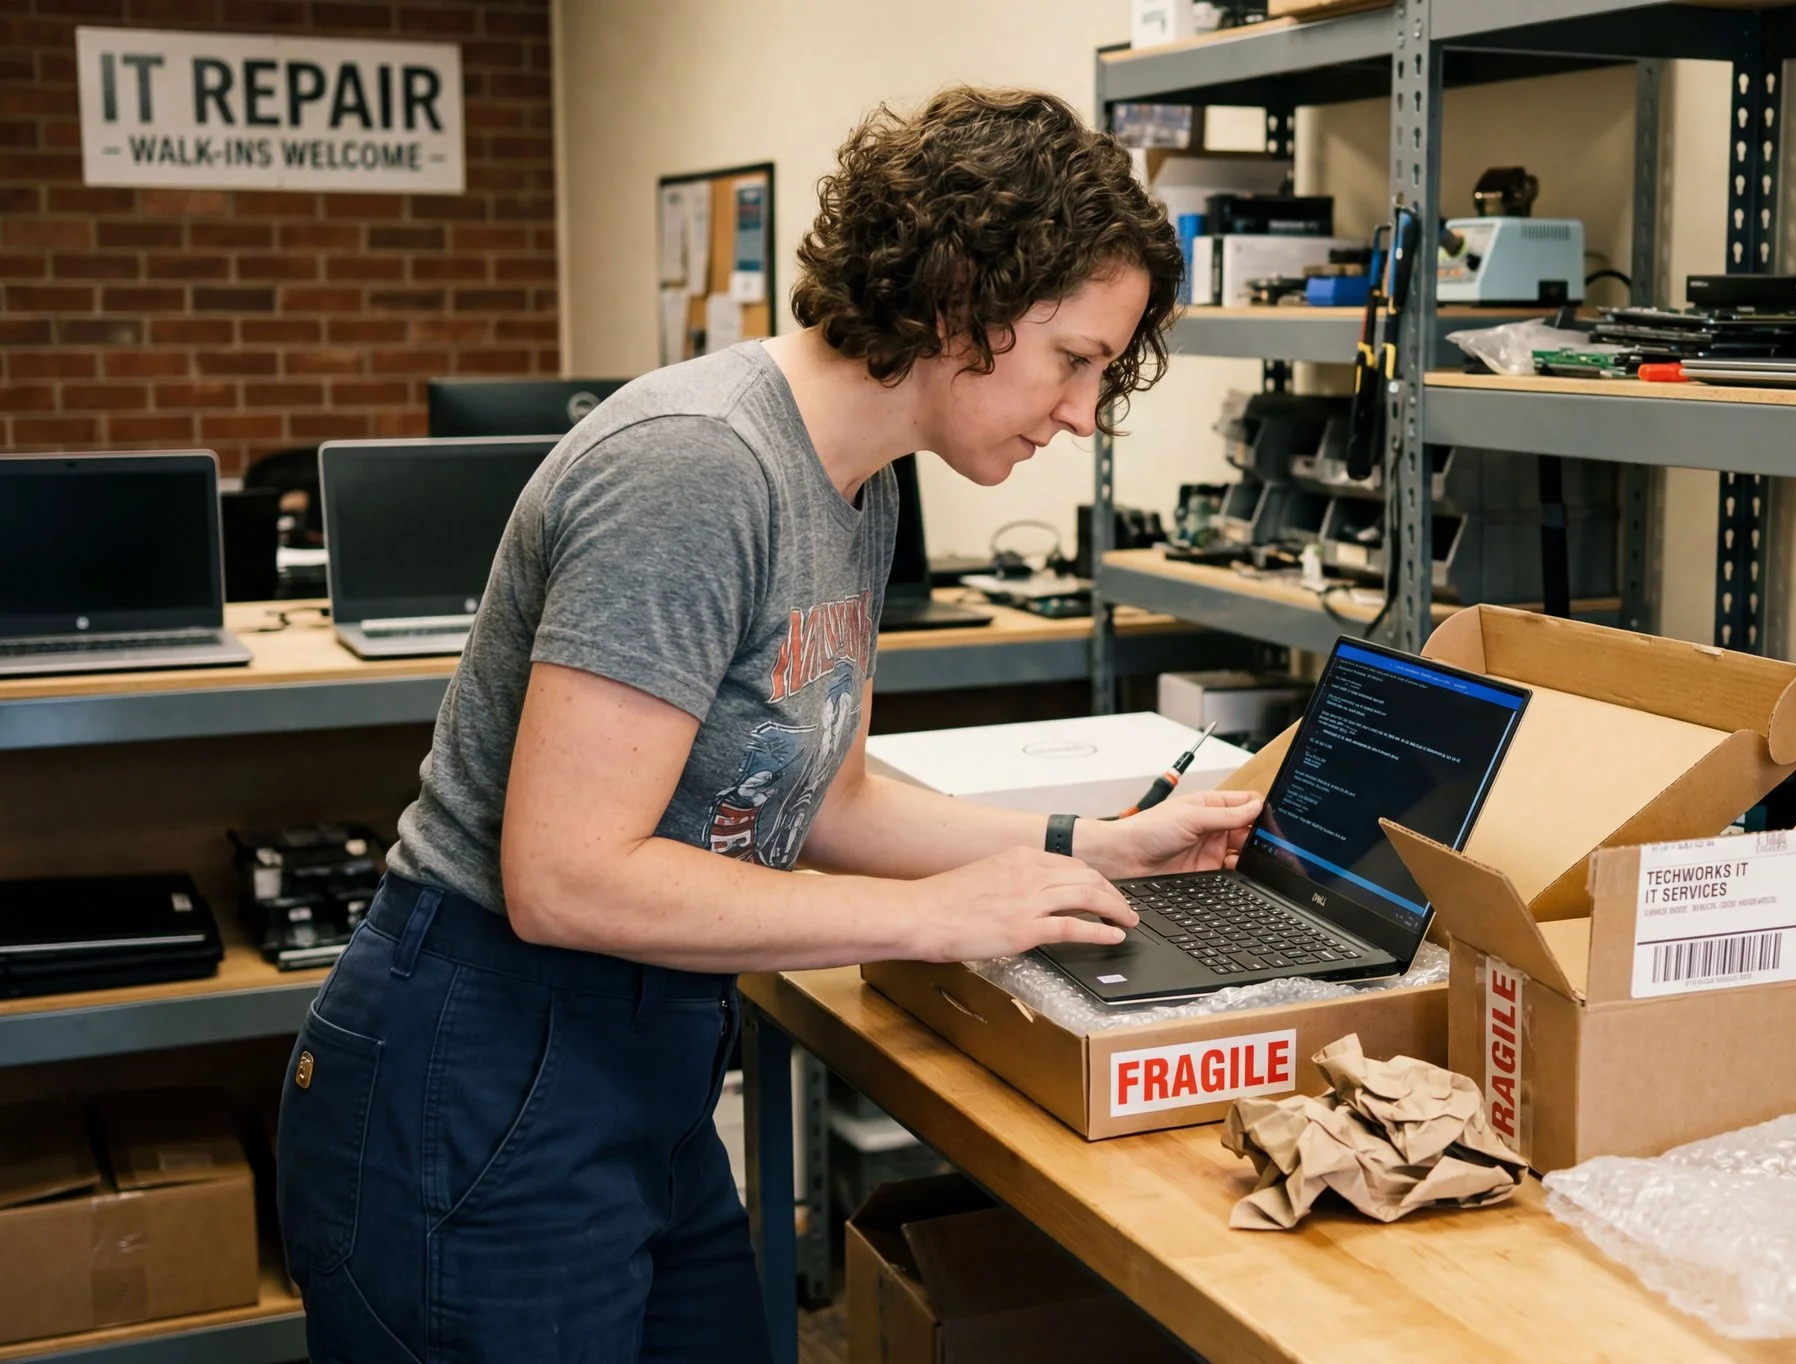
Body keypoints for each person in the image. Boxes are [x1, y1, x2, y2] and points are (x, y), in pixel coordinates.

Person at [273, 86, 1257, 1363]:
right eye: (1074, 358)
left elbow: (826, 797)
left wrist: (1087, 845)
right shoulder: (697, 467)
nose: (1081, 412)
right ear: (962, 296)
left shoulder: (857, 488)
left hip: (650, 1053)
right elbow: (564, 877)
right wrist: (929, 916)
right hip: (482, 1057)